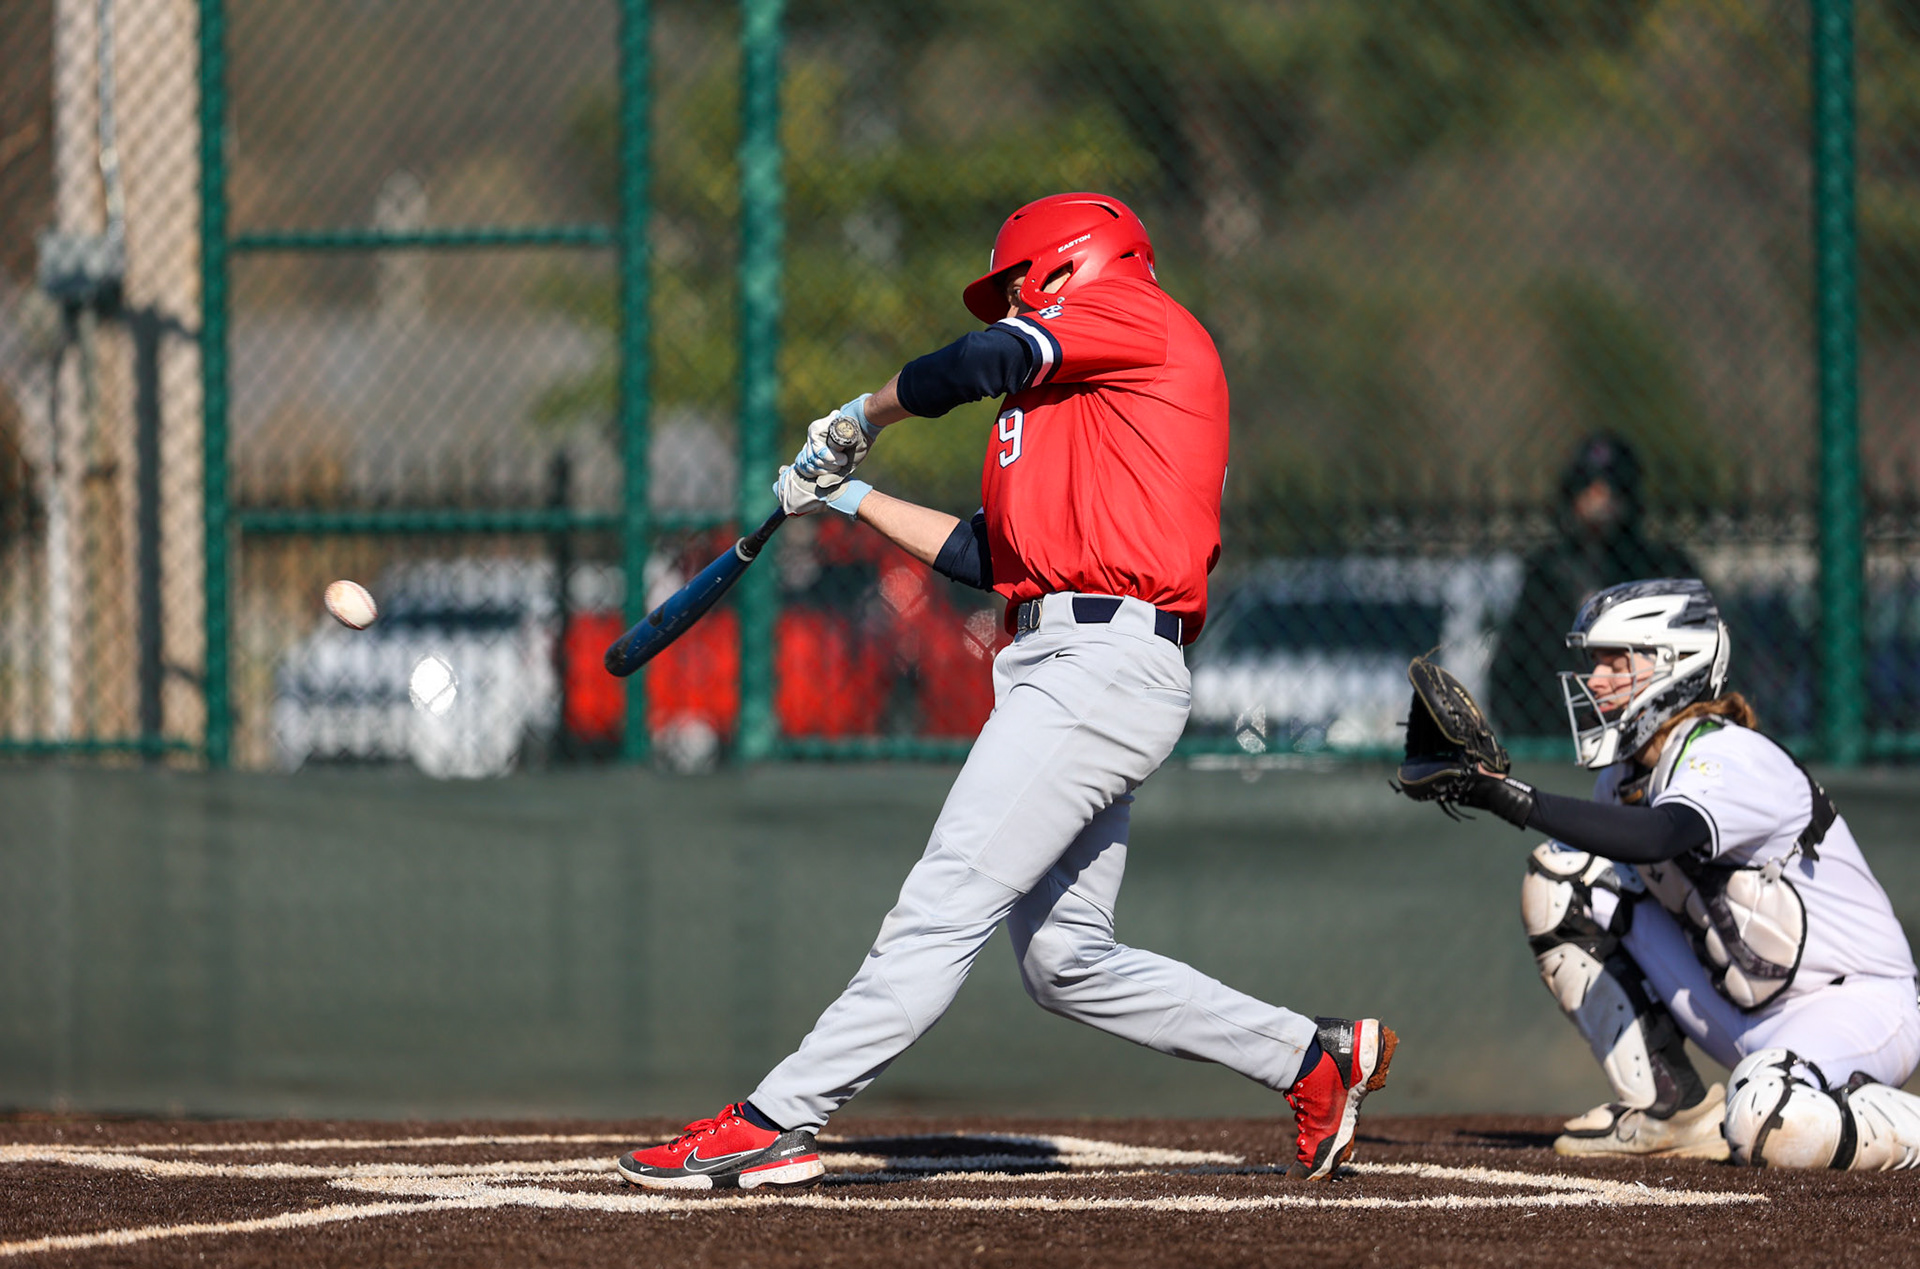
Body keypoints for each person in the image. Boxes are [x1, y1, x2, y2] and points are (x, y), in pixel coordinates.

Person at [616, 192, 1396, 1191]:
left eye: (1021, 284)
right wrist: (849, 496)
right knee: (1066, 961)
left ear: (1071, 263)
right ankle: (1308, 1057)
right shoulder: (1071, 401)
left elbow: (983, 362)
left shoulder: (1134, 315)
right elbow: (993, 555)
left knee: (944, 902)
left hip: (1101, 664)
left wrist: (864, 415)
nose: (1014, 304)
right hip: (1067, 662)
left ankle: (777, 1119)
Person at [1408, 578, 1920, 1168]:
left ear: (1678, 663)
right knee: (1562, 878)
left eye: (1617, 662)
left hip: (1856, 1005)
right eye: (1595, 662)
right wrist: (1494, 788)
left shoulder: (1729, 753)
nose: (1596, 680)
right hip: (1742, 1010)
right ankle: (1667, 1109)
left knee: (1768, 1120)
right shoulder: (1623, 778)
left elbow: (1660, 834)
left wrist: (1509, 797)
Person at [1490, 436, 1700, 738]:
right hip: (1558, 736)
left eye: (1612, 488)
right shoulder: (1547, 574)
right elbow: (1509, 671)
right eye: (1587, 486)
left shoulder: (1660, 569)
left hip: (1645, 732)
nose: (1598, 499)